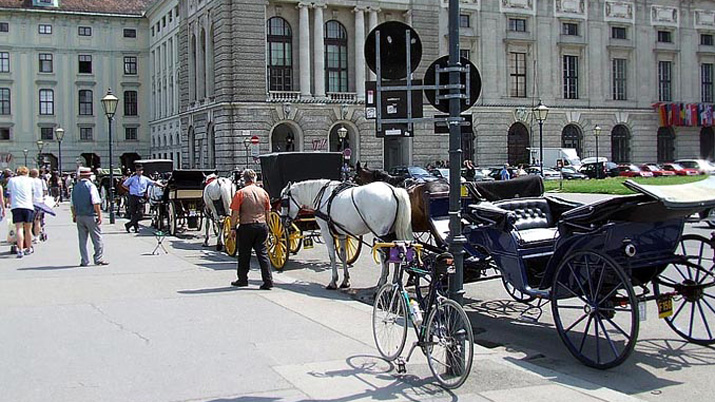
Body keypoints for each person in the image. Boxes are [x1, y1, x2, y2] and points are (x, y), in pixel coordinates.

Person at [228, 169, 273, 290]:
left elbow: (235, 213)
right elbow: (268, 212)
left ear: (244, 180)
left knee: (244, 254)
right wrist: (267, 226)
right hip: (262, 225)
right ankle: (268, 280)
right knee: (263, 254)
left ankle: (243, 279)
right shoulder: (264, 193)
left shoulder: (240, 193)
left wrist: (232, 228)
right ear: (254, 179)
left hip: (246, 226)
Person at [71, 167, 108, 266]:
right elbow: (96, 203)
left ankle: (84, 260)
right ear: (89, 176)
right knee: (97, 238)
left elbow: (72, 204)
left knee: (82, 240)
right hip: (90, 215)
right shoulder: (91, 186)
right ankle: (98, 258)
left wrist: (74, 215)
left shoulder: (75, 187)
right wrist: (100, 216)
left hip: (79, 216)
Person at [122, 164, 163, 233]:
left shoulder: (145, 179)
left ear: (142, 171)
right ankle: (136, 228)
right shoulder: (132, 179)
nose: (139, 172)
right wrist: (130, 190)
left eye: (140, 170)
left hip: (140, 196)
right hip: (133, 196)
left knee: (140, 213)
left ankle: (128, 225)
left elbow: (153, 183)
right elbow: (124, 185)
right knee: (133, 213)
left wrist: (162, 185)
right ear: (136, 171)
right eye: (137, 170)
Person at [6, 166, 35, 258]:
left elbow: (9, 193)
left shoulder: (12, 180)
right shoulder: (30, 180)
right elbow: (33, 193)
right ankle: (29, 248)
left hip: (16, 206)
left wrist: (9, 203)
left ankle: (20, 250)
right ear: (26, 173)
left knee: (19, 228)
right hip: (28, 206)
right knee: (28, 229)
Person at [29, 168, 46, 244]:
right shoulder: (41, 181)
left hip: (29, 202)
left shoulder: (28, 181)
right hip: (39, 202)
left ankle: (27, 236)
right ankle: (37, 237)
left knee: (28, 221)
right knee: (37, 221)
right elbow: (45, 190)